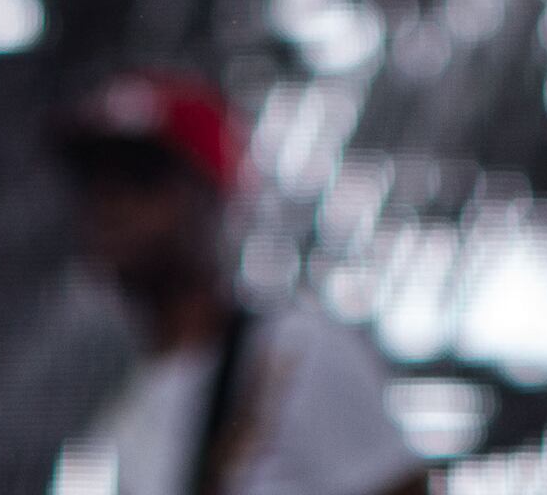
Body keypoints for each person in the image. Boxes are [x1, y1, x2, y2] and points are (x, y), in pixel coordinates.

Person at [55, 71, 425, 495]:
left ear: (213, 198)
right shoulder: (130, 402)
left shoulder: (295, 353)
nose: (111, 207)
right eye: (95, 186)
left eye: (141, 181)